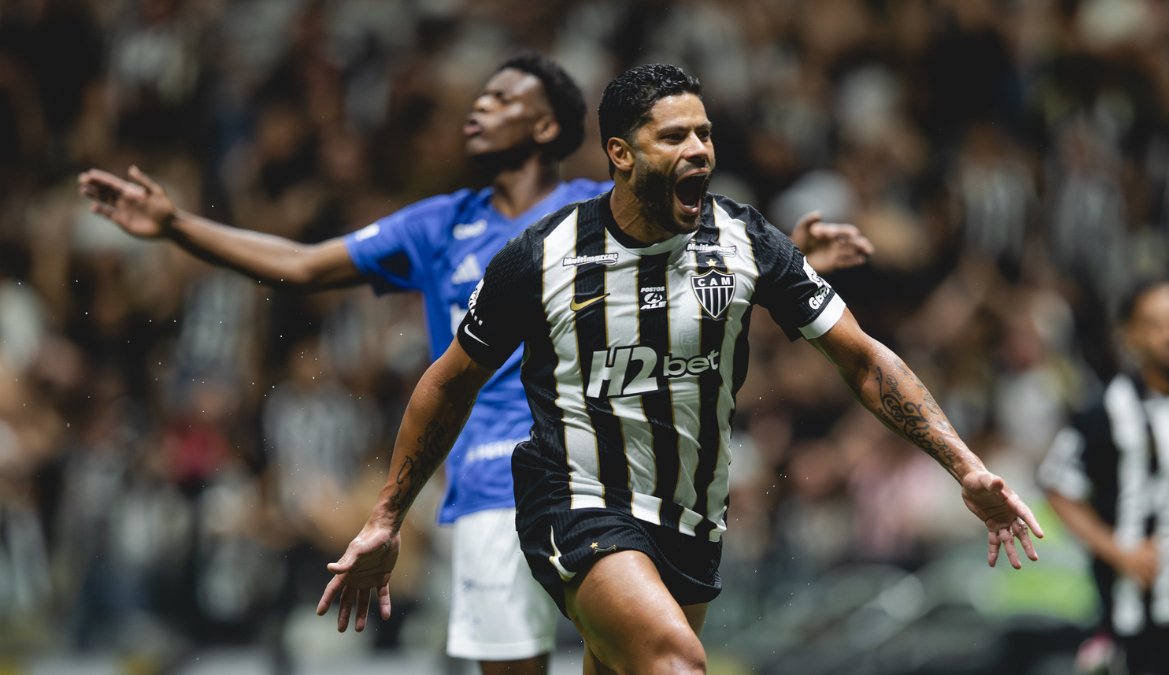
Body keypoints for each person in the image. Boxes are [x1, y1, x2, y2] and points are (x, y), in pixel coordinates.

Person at [78, 55, 871, 674]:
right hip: (496, 489)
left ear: (548, 125)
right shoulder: (438, 226)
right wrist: (178, 223)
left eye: (500, 99)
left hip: (614, 494)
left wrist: (792, 259)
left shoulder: (612, 203)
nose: (476, 109)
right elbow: (302, 263)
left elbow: (706, 265)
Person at [317, 63, 1042, 674]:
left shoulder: (746, 240)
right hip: (576, 503)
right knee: (677, 663)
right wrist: (386, 517)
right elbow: (448, 381)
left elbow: (863, 360)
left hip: (692, 520)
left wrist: (964, 466)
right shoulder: (542, 257)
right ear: (623, 154)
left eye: (705, 133)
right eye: (675, 136)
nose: (699, 148)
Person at [1039, 277, 1169, 675]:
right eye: (1155, 324)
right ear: (1129, 334)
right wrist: (1117, 550)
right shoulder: (1106, 410)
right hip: (1137, 614)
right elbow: (1057, 486)